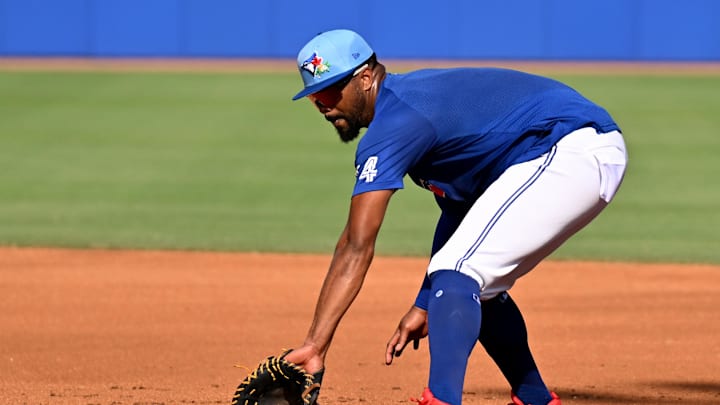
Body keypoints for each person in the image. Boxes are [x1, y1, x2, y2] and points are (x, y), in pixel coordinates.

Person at [284, 29, 628, 405]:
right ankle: (535, 398)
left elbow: (356, 244)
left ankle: (442, 399)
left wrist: (315, 345)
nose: (324, 106)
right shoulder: (408, 108)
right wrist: (425, 301)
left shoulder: (396, 123)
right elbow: (459, 216)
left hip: (569, 147)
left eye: (330, 92)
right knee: (477, 283)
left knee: (460, 273)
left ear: (365, 78)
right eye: (315, 97)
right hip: (567, 150)